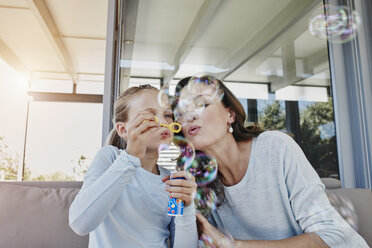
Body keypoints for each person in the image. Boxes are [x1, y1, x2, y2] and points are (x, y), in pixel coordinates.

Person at [172, 76, 369, 248]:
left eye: (200, 104)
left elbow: (332, 237)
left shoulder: (276, 147)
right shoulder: (196, 180)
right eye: (180, 113)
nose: (188, 116)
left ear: (230, 115)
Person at [69, 84, 198, 248]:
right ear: (123, 130)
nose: (163, 122)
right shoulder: (110, 158)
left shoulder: (171, 182)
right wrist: (130, 157)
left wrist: (186, 208)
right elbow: (80, 224)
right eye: (150, 116)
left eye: (168, 115)